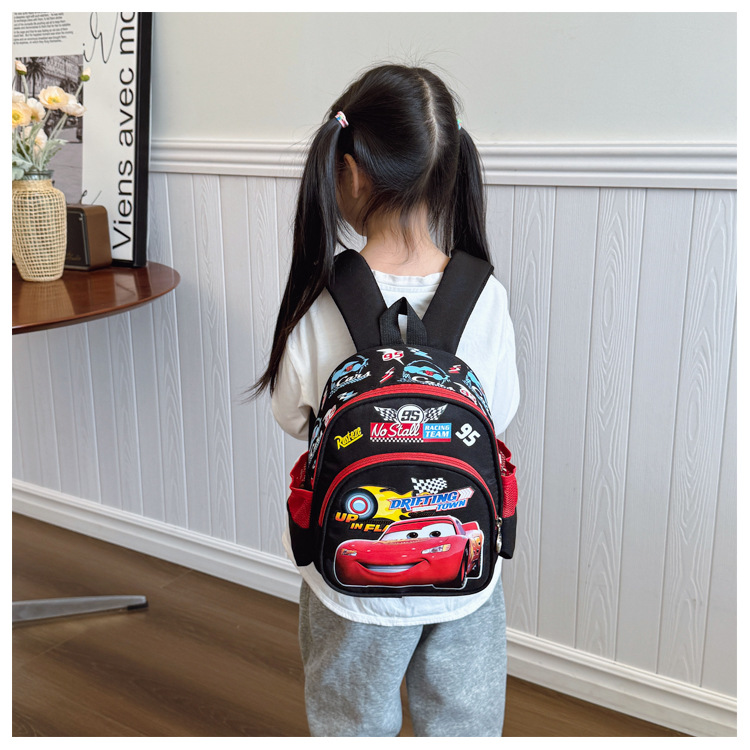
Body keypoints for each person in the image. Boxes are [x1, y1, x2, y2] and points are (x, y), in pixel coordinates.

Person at [252, 64, 519, 737]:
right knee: (462, 723)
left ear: (349, 173)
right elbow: (499, 414)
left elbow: (292, 416)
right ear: (452, 170)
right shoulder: (484, 295)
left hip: (349, 573)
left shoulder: (321, 298)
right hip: (466, 570)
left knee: (352, 722)